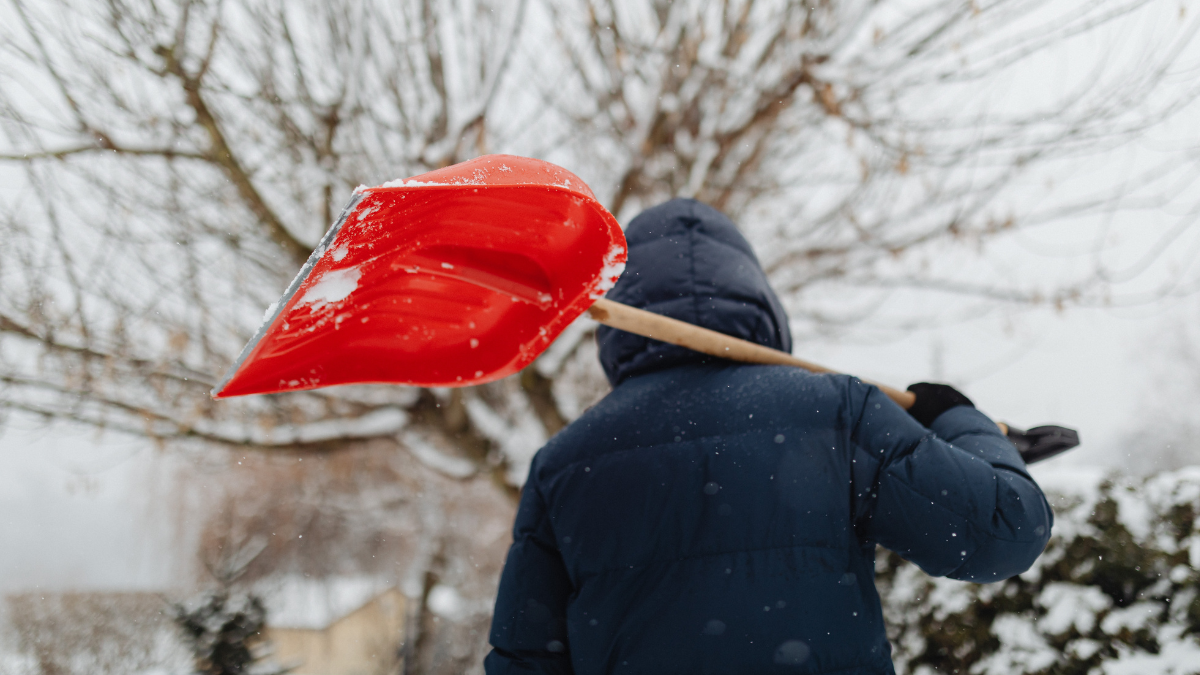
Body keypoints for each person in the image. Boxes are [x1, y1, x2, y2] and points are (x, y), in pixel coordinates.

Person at [484, 198, 1053, 674]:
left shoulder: (563, 464)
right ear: (755, 294)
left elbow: (524, 661)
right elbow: (1004, 529)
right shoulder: (835, 411)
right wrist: (954, 416)